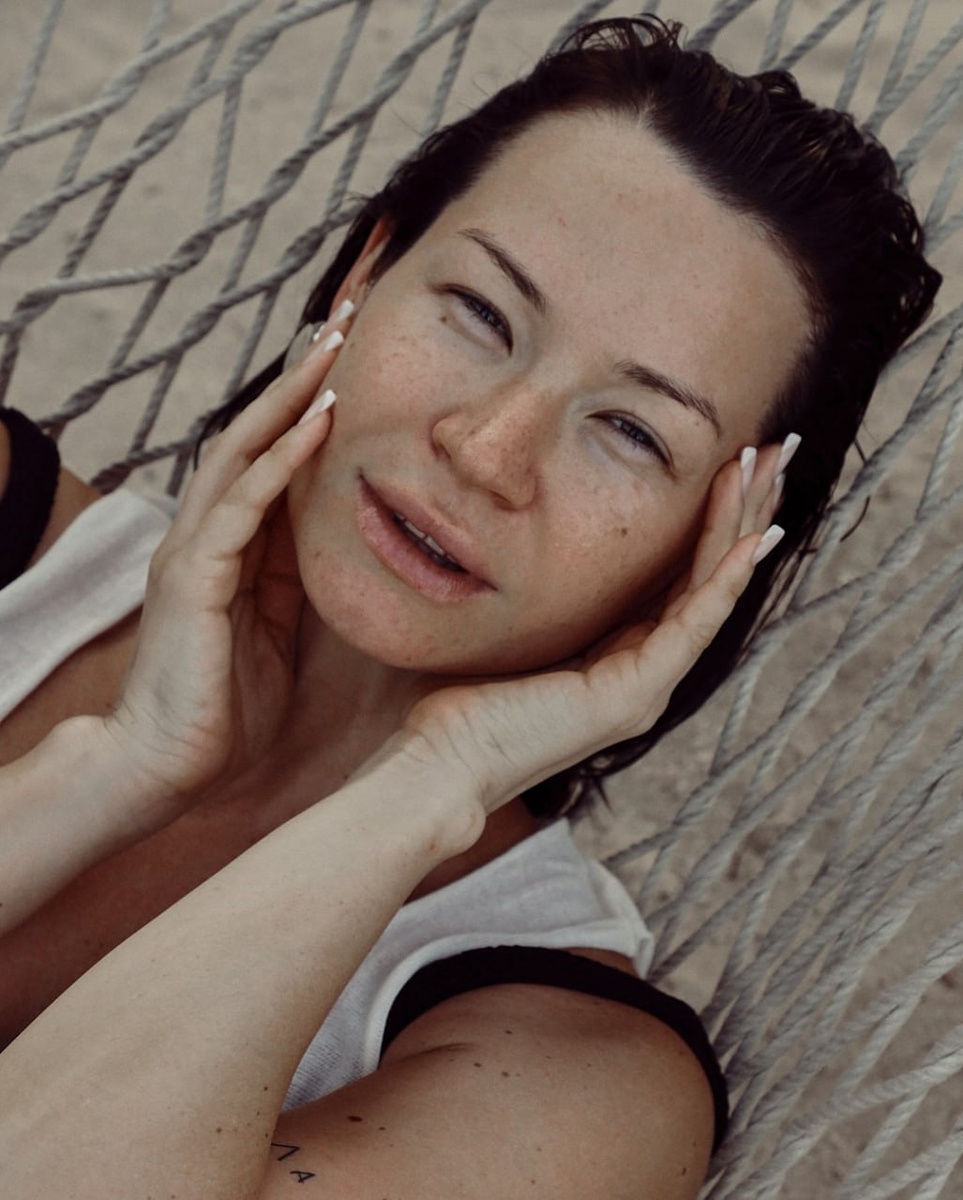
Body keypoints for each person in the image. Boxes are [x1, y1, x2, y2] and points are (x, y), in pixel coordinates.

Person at [0, 15, 940, 1199]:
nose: (487, 451)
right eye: (482, 315)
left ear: (720, 545)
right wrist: (114, 768)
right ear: (366, 275)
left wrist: (420, 790)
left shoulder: (575, 1081)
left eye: (632, 431)